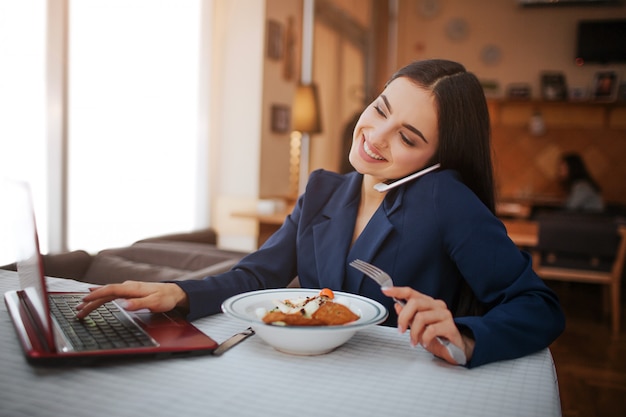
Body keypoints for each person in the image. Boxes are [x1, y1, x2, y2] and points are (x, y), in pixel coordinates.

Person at [76, 59, 565, 368]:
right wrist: (180, 291)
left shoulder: (446, 199)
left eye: (408, 137)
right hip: (304, 377)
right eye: (380, 109)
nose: (374, 135)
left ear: (437, 159)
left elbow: (538, 307)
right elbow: (257, 273)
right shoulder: (323, 190)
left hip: (396, 385)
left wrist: (466, 335)